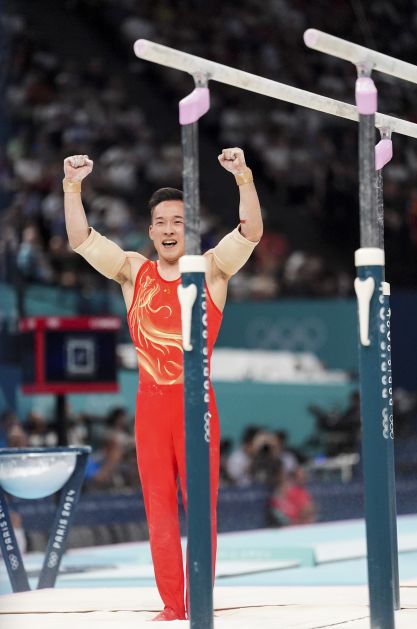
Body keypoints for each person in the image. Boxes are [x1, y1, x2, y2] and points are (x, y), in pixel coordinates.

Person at [63, 148, 263, 621]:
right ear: (151, 231)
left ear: (189, 229)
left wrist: (244, 178)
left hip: (197, 407)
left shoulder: (212, 269)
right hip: (150, 408)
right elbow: (80, 239)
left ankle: (199, 602)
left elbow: (251, 232)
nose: (170, 229)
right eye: (161, 223)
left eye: (178, 221)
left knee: (200, 508)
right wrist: (72, 187)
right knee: (158, 509)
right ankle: (173, 606)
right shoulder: (134, 272)